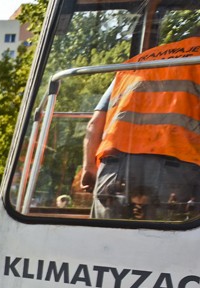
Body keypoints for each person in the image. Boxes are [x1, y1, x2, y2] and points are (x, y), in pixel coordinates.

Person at [81, 32, 200, 220]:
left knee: (105, 240)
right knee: (163, 243)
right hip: (178, 168)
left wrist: (89, 167)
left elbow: (95, 122)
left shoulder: (139, 62)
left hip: (114, 166)